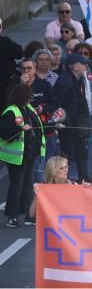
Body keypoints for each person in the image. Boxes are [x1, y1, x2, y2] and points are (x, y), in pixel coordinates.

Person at [2, 83, 45, 228]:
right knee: (16, 185)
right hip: (17, 156)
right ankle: (12, 216)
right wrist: (20, 128)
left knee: (27, 185)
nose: (30, 98)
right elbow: (5, 132)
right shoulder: (11, 111)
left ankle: (28, 214)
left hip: (29, 154)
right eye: (28, 96)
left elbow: (37, 126)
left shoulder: (28, 109)